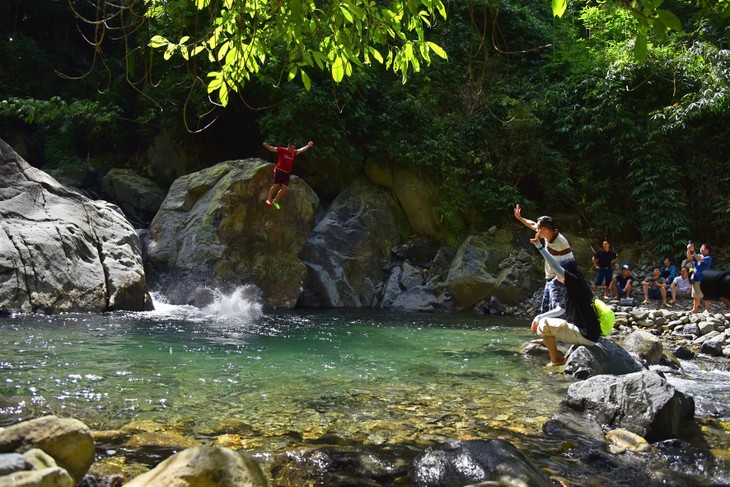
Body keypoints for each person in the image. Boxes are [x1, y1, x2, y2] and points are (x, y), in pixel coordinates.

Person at [529, 235, 600, 366]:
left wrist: (540, 246)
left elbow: (555, 265)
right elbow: (559, 310)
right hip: (589, 334)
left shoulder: (576, 283)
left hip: (585, 335)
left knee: (544, 324)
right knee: (543, 320)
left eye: (559, 274)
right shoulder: (574, 288)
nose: (557, 276)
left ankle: (556, 359)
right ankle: (548, 342)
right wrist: (538, 316)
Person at [514, 205, 574, 314]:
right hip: (550, 278)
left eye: (538, 229)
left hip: (559, 280)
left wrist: (562, 280)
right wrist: (520, 218)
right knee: (545, 310)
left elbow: (570, 263)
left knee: (557, 311)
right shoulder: (548, 234)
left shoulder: (560, 243)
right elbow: (532, 224)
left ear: (544, 229)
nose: (536, 231)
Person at [263, 140, 314, 209]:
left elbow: (301, 150)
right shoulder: (282, 150)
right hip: (279, 170)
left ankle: (275, 200)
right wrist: (266, 145)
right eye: (292, 148)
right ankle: (269, 199)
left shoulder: (294, 152)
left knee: (284, 188)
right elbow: (272, 149)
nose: (293, 150)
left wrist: (308, 146)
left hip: (286, 173)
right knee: (276, 185)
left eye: (293, 148)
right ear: (288, 146)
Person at [687, 242, 712, 314]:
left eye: (703, 247)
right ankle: (695, 309)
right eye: (701, 247)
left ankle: (707, 310)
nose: (701, 249)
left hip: (704, 278)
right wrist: (688, 249)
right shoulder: (698, 255)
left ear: (707, 250)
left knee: (705, 295)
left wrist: (693, 251)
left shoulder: (708, 258)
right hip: (696, 278)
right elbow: (689, 257)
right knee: (696, 295)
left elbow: (700, 259)